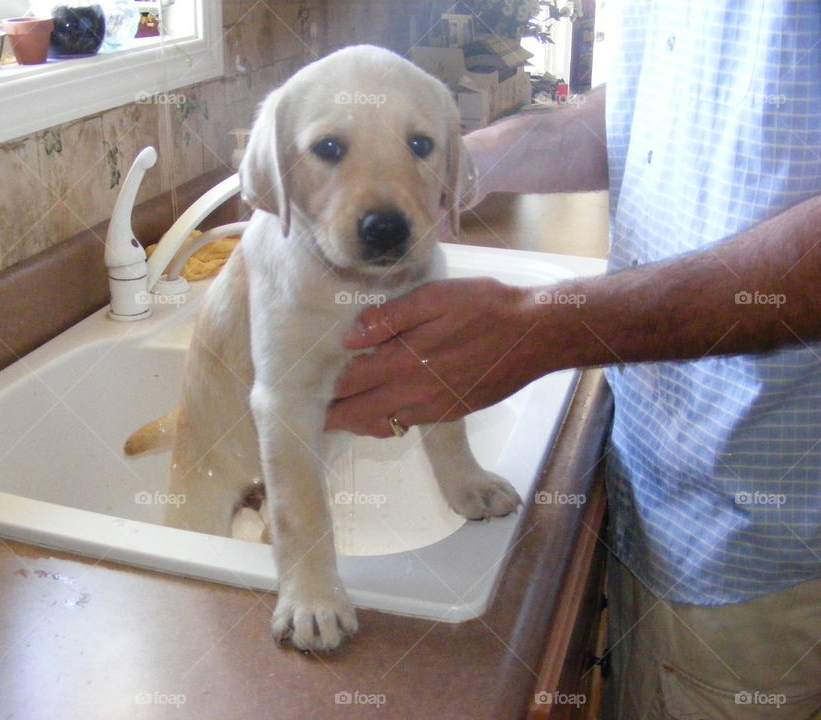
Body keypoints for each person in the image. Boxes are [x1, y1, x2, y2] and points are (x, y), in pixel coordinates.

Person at [326, 3, 821, 718]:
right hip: (655, 479)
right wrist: (462, 163)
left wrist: (543, 331)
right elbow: (658, 108)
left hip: (763, 532)